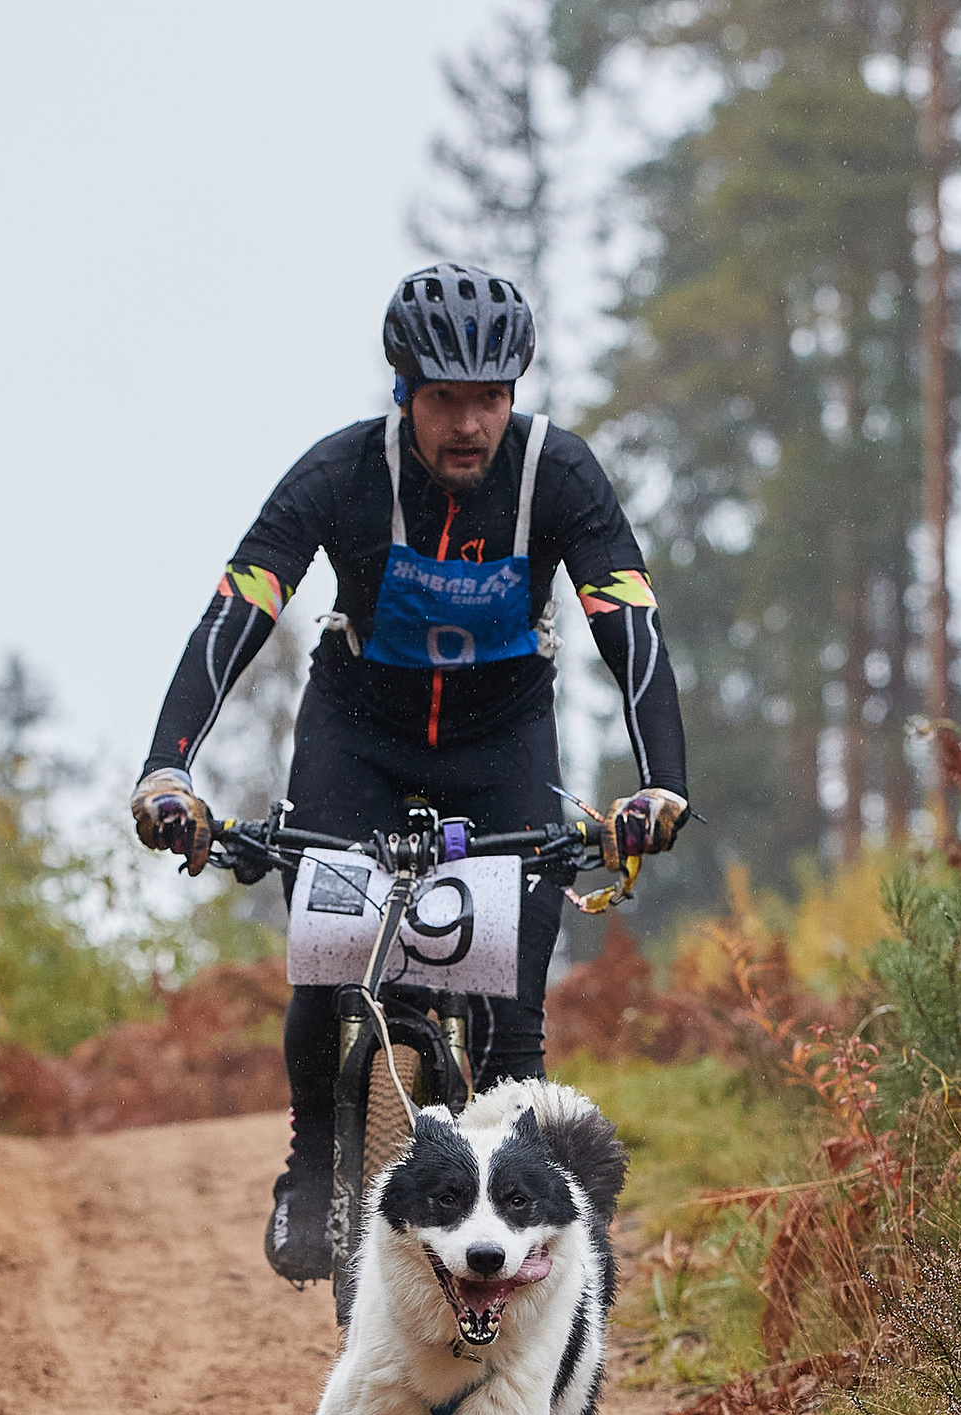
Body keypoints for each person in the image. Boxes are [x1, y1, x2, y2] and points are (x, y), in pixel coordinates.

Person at [130, 261, 690, 1283]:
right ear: (403, 394)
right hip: (361, 733)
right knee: (327, 949)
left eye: (490, 397)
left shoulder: (554, 477)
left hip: (503, 740)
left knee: (517, 1023)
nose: (469, 423)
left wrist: (658, 784)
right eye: (445, 399)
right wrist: (167, 771)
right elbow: (237, 613)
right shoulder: (340, 474)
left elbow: (633, 630)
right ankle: (315, 1153)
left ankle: (524, 1249)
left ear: (515, 393)